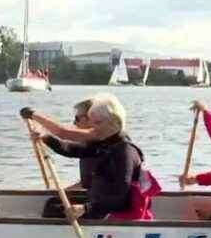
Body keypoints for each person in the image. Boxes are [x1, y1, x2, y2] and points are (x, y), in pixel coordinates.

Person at [21, 94, 158, 220]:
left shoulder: (124, 152)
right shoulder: (106, 143)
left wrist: (85, 208)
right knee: (53, 203)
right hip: (99, 201)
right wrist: (45, 138)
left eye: (97, 123)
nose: (92, 128)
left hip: (114, 209)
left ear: (113, 123)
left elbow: (119, 195)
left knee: (54, 210)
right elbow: (71, 150)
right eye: (92, 122)